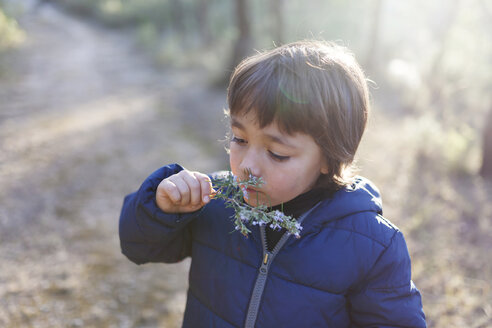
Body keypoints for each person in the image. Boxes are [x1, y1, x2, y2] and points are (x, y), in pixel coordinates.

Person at [119, 40, 426, 327]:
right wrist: (161, 208)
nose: (248, 165)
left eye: (277, 153)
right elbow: (137, 247)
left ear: (329, 158)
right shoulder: (215, 202)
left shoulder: (372, 246)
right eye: (239, 139)